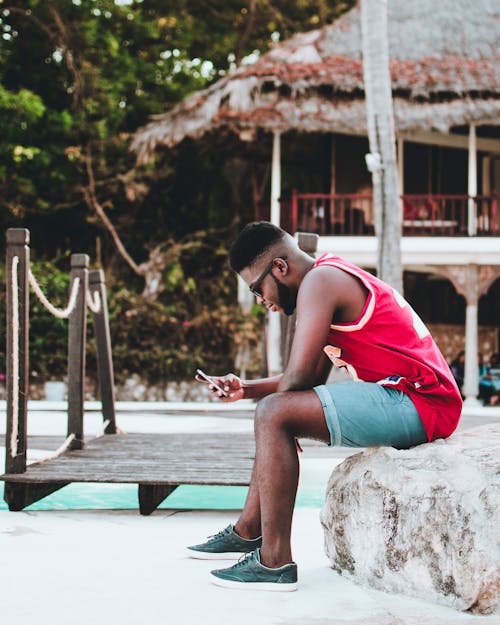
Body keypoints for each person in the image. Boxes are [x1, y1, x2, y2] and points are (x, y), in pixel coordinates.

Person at [189, 221, 462, 592]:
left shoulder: (320, 282)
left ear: (280, 268)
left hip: (421, 402)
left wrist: (281, 414)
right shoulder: (324, 280)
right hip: (411, 400)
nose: (261, 300)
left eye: (258, 288)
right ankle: (248, 531)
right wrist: (245, 388)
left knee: (273, 414)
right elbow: (308, 380)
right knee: (274, 412)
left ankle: (274, 563)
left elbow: (297, 378)